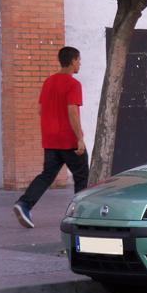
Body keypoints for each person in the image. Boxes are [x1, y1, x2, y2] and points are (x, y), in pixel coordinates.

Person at [13, 46, 88, 228]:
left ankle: (24, 204)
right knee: (82, 176)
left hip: (50, 140)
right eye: (78, 60)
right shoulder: (73, 84)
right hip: (68, 140)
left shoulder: (48, 82)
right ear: (72, 61)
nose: (80, 63)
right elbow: (72, 111)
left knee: (47, 175)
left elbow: (41, 109)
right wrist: (80, 138)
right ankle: (79, 216)